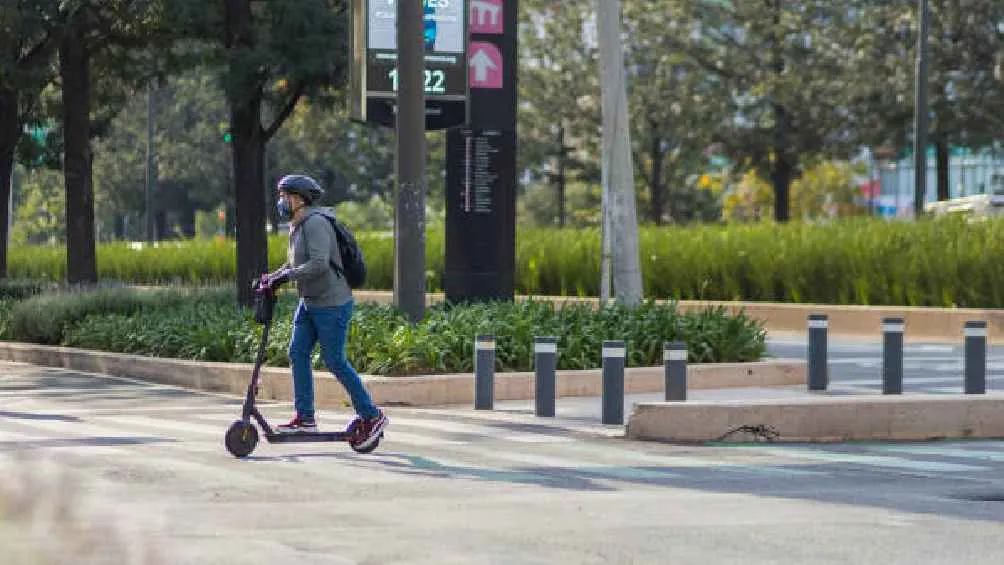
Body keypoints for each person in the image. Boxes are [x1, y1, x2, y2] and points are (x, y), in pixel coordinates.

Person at [259, 174, 387, 449]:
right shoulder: (297, 225)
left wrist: (287, 277)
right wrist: (272, 276)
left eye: (284, 196)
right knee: (297, 352)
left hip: (332, 303)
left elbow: (318, 264)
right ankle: (305, 417)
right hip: (310, 302)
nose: (280, 201)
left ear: (298, 198)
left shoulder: (316, 223)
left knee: (335, 361)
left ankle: (372, 415)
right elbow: (295, 262)